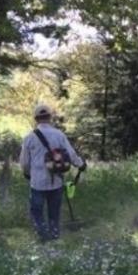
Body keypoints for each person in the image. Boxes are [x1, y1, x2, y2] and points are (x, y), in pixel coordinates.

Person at [19, 103, 85, 241]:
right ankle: (54, 237)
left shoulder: (29, 138)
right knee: (54, 213)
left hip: (37, 182)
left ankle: (43, 237)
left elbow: (24, 162)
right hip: (56, 181)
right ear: (49, 117)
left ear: (36, 119)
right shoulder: (59, 135)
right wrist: (81, 164)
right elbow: (71, 155)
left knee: (37, 212)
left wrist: (27, 173)